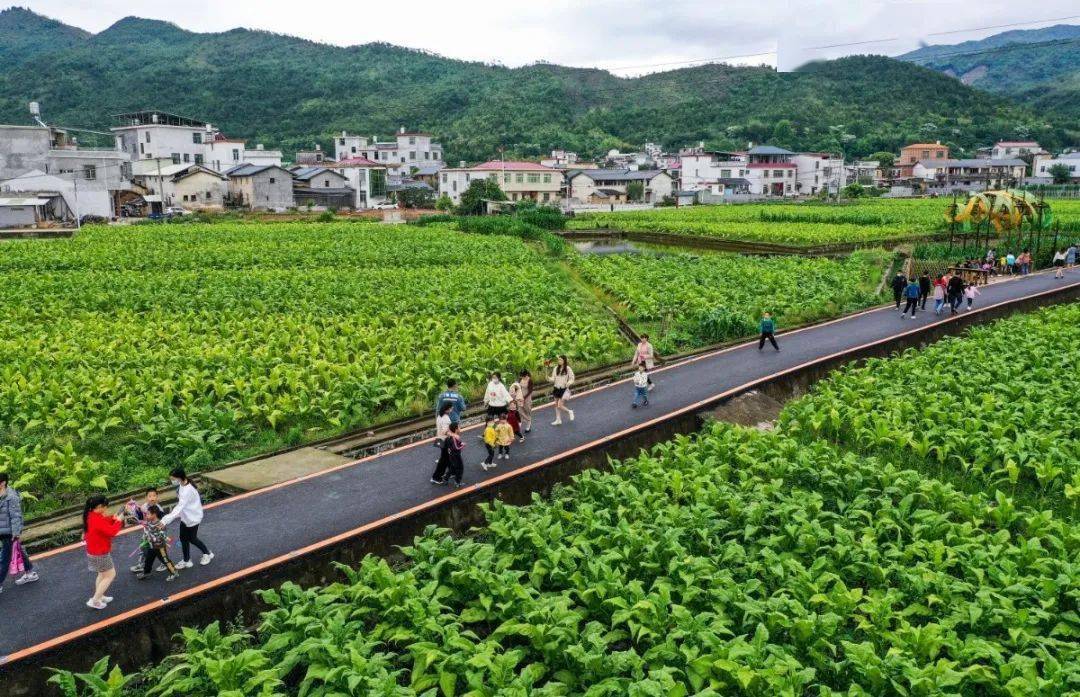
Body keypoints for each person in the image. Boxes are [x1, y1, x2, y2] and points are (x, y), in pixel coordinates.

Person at [161, 468, 212, 569]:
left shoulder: (188, 490)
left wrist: (165, 520)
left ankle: (208, 554)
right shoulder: (183, 484)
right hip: (186, 517)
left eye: (173, 479)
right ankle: (187, 560)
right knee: (183, 539)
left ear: (179, 477)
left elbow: (179, 507)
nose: (172, 481)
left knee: (192, 539)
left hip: (193, 518)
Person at [83, 495, 123, 610]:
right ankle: (95, 600)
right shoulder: (97, 519)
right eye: (105, 507)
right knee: (110, 574)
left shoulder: (91, 515)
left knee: (102, 574)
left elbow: (103, 523)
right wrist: (118, 521)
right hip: (100, 553)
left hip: (94, 551)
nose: (106, 509)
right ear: (100, 506)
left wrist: (112, 518)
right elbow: (111, 532)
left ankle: (100, 596)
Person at [0, 472, 38, 594]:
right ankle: (30, 573)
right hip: (2, 530)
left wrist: (16, 533)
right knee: (18, 551)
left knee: (4, 558)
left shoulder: (11, 496)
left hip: (9, 532)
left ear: (3, 482)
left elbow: (16, 516)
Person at [137, 505, 179, 582]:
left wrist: (157, 536)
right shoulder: (149, 521)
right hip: (152, 546)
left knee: (165, 560)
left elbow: (163, 534)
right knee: (149, 559)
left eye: (148, 514)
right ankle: (147, 572)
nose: (146, 515)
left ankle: (174, 572)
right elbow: (142, 521)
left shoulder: (160, 524)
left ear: (154, 514)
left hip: (160, 547)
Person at [548, 355, 575, 426]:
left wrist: (568, 383)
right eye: (559, 360)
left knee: (560, 405)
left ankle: (569, 411)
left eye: (561, 360)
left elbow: (572, 378)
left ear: (564, 361)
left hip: (563, 389)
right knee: (556, 405)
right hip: (556, 388)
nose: (559, 361)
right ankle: (558, 419)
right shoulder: (556, 368)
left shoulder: (568, 368)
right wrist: (548, 378)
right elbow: (553, 379)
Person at [514, 369, 534, 434]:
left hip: (527, 397)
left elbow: (530, 391)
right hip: (520, 397)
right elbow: (517, 387)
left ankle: (528, 424)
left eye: (523, 376)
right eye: (521, 376)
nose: (522, 377)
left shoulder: (530, 380)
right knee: (520, 410)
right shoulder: (520, 379)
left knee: (527, 410)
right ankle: (528, 420)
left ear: (527, 375)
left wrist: (524, 398)